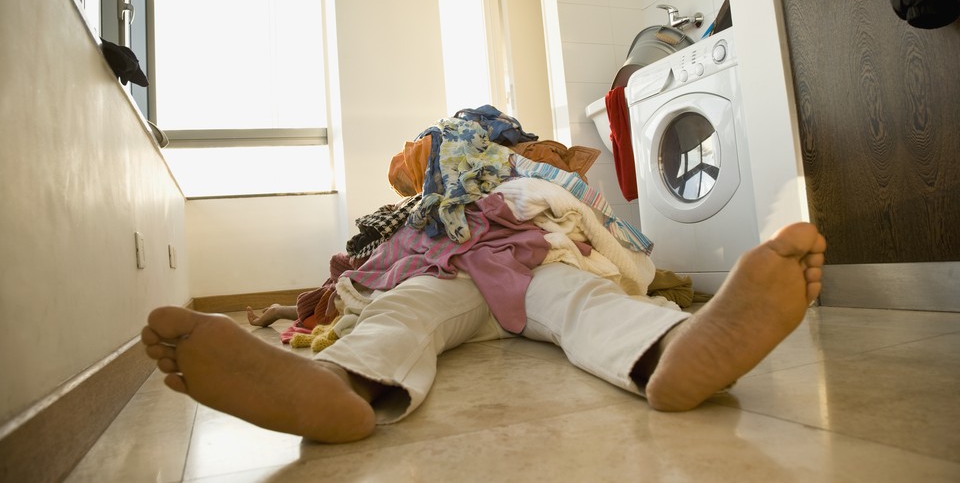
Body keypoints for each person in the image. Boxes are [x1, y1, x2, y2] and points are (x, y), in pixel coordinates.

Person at [141, 221, 826, 444]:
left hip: (530, 267)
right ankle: (330, 382)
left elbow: (585, 225)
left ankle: (678, 349)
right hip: (446, 278)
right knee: (403, 313)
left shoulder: (522, 195)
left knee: (583, 296)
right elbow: (355, 277)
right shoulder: (402, 224)